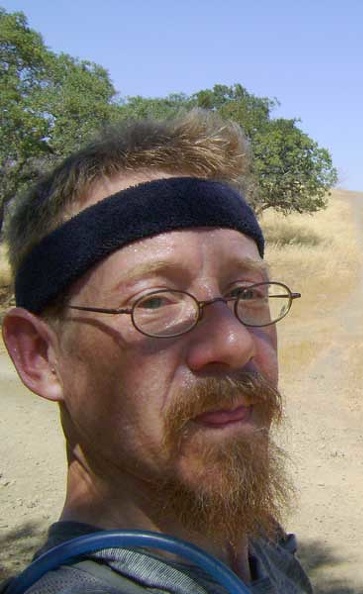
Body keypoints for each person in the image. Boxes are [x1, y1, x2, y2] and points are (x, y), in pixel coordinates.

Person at [0, 110, 312, 593]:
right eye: (155, 301)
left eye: (247, 292)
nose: (234, 342)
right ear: (41, 355)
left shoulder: (261, 546)